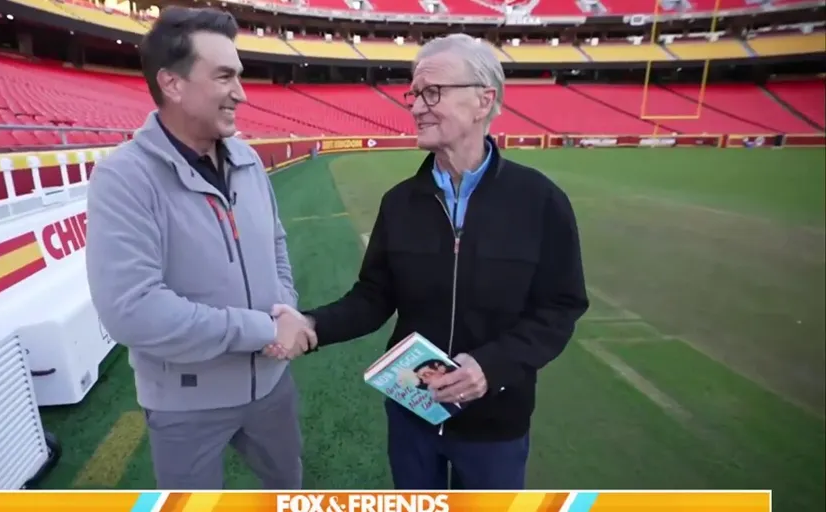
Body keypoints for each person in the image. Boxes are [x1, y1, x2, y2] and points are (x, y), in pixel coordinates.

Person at [273, 33, 589, 490]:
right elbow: (374, 297)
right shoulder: (400, 203)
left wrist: (492, 366)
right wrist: (311, 324)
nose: (417, 106)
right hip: (412, 414)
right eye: (415, 94)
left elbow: (561, 307)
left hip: (496, 426)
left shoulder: (540, 201)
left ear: (483, 101)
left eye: (432, 92)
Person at [85, 6, 313, 490]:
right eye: (225, 76)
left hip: (272, 385)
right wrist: (262, 328)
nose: (241, 93)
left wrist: (286, 313)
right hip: (185, 405)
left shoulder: (248, 159)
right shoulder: (123, 177)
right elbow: (132, 310)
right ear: (172, 84)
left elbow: (276, 245)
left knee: (288, 490)